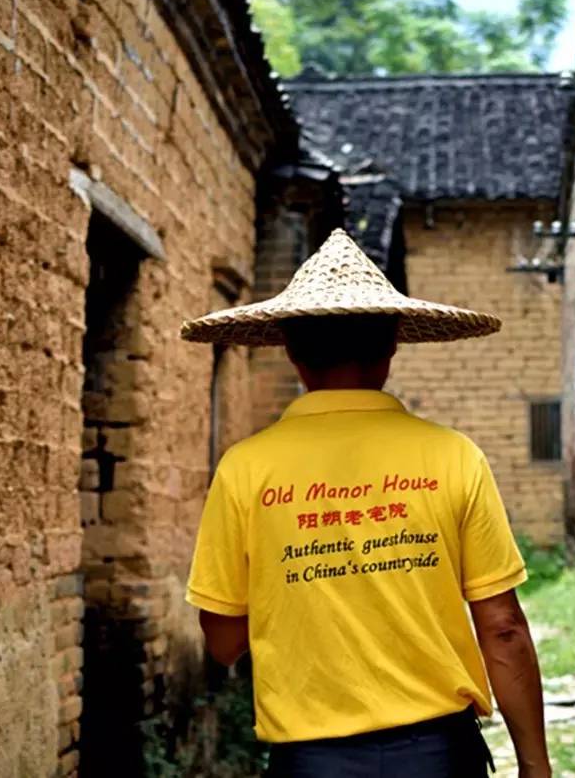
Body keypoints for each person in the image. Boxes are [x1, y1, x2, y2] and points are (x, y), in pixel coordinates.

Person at [181, 229, 551, 777]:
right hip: (440, 757)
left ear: (290, 352)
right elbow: (501, 627)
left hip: (310, 762)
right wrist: (534, 765)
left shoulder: (245, 470)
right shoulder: (453, 457)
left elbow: (224, 642)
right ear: (393, 347)